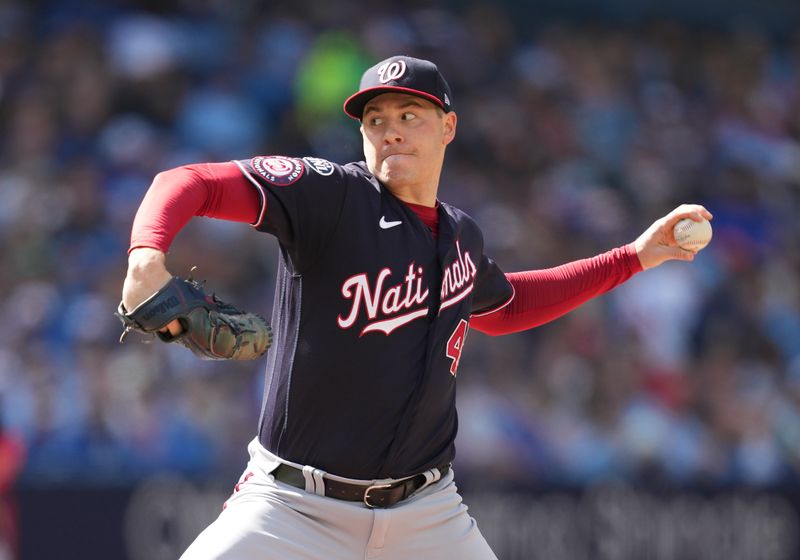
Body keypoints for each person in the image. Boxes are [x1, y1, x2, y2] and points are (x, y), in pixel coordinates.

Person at [121, 55, 712, 559]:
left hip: (428, 515)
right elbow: (189, 180)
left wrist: (635, 256)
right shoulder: (329, 194)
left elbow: (507, 306)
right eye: (375, 120)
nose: (391, 131)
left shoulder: (460, 237)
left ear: (448, 127)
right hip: (294, 506)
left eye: (410, 116)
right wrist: (147, 257)